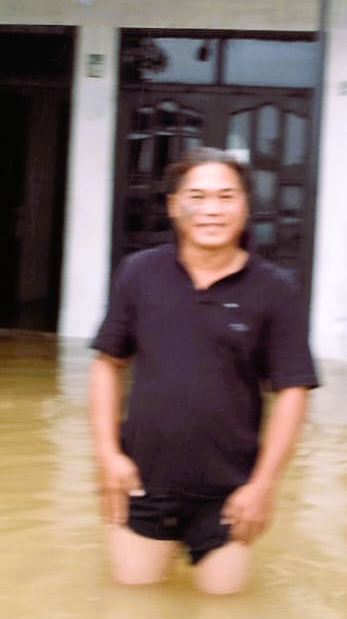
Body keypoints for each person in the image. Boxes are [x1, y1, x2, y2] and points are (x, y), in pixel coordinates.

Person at [89, 147, 319, 595]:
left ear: (246, 206)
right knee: (131, 612)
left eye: (226, 196)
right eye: (197, 196)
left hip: (230, 492)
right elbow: (107, 364)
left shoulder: (276, 289)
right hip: (142, 482)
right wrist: (107, 456)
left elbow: (293, 392)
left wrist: (263, 485)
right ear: (174, 205)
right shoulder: (139, 273)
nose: (211, 209)